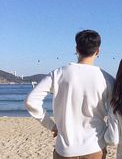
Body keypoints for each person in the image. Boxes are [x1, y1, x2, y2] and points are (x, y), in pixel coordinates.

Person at [25, 30, 114, 159]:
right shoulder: (106, 78)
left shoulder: (58, 74)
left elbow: (30, 101)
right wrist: (108, 134)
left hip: (65, 149)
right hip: (94, 147)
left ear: (77, 49)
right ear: (98, 51)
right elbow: (116, 111)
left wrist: (51, 125)